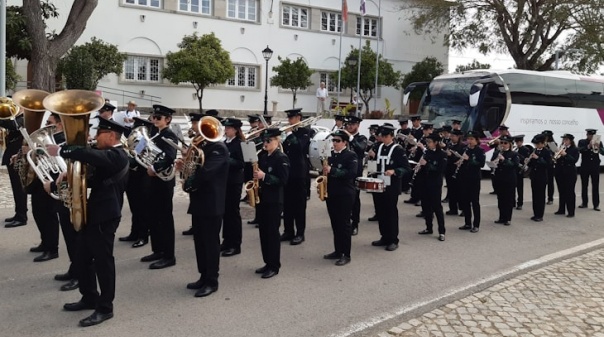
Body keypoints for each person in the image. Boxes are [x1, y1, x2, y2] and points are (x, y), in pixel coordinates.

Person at [45, 117, 129, 327]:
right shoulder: (106, 156)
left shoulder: (118, 155)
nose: (94, 137)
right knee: (82, 259)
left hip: (105, 216)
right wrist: (64, 181)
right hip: (92, 213)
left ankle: (105, 308)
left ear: (111, 136)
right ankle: (89, 296)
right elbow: (89, 180)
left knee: (103, 263)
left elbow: (91, 155)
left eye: (99, 133)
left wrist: (63, 151)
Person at [178, 116, 229, 298]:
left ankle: (212, 281)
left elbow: (206, 174)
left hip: (212, 203)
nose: (200, 133)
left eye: (204, 130)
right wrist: (185, 166)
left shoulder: (219, 149)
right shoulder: (204, 147)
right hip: (199, 201)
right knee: (199, 242)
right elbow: (196, 170)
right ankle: (203, 275)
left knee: (210, 243)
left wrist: (189, 172)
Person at [140, 105, 178, 269]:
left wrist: (155, 168)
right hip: (152, 181)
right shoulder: (155, 134)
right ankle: (158, 250)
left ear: (167, 119)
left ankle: (169, 255)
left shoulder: (169, 135)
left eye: (158, 118)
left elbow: (170, 157)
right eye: (154, 117)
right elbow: (142, 150)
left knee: (164, 218)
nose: (154, 120)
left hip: (163, 181)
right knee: (153, 216)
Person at [254, 128, 290, 279]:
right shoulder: (263, 157)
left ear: (277, 140)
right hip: (263, 199)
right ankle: (267, 262)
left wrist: (264, 176)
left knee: (272, 233)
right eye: (265, 141)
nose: (266, 143)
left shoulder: (281, 158)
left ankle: (274, 266)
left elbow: (283, 180)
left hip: (274, 201)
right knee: (263, 233)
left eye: (269, 140)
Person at [371, 125, 409, 251]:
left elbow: (406, 168)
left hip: (391, 185)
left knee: (390, 212)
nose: (384, 139)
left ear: (392, 136)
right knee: (380, 211)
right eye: (382, 136)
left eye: (386, 136)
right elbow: (374, 164)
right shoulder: (378, 146)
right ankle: (384, 237)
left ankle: (393, 239)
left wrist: (394, 171)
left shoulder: (398, 149)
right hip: (378, 183)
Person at [322, 129, 358, 265]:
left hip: (345, 194)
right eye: (333, 140)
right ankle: (337, 251)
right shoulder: (330, 155)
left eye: (337, 141)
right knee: (335, 223)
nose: (334, 143)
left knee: (344, 225)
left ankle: (346, 254)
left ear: (345, 142)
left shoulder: (351, 155)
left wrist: (333, 170)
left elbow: (351, 173)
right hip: (331, 193)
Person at [119, 117, 155, 246]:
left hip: (142, 178)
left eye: (137, 128)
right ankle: (134, 232)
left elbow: (135, 158)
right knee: (135, 207)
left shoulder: (144, 141)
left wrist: (124, 158)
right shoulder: (136, 140)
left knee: (142, 209)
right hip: (132, 177)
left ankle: (143, 236)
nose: (134, 131)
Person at [281, 108, 311, 245]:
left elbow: (299, 147)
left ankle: (300, 233)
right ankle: (288, 231)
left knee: (299, 204)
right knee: (287, 204)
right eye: (288, 118)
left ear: (298, 118)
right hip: (287, 172)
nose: (289, 120)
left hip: (299, 173)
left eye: (292, 118)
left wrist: (289, 134)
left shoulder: (305, 132)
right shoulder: (288, 133)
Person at [220, 118, 245, 257]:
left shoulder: (239, 144)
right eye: (225, 128)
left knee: (233, 213)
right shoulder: (224, 143)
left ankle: (235, 244)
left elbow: (241, 163)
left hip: (234, 182)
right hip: (224, 181)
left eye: (228, 128)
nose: (226, 130)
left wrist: (226, 159)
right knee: (225, 213)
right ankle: (226, 241)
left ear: (235, 129)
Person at [417, 133, 447, 241]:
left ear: (436, 143)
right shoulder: (427, 152)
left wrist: (427, 165)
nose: (428, 144)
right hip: (425, 182)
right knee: (426, 206)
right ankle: (428, 227)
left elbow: (440, 170)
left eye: (430, 142)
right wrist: (419, 166)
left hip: (435, 183)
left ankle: (442, 231)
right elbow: (424, 167)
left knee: (437, 207)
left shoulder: (442, 154)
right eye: (427, 142)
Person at [0, 110, 27, 228]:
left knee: (19, 186)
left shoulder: (24, 117)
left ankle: (22, 217)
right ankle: (19, 213)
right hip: (12, 154)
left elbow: (14, 126)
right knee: (16, 187)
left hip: (17, 156)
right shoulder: (17, 118)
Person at [458, 131, 485, 233]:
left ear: (477, 140)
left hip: (474, 179)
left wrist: (469, 160)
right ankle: (467, 223)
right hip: (464, 178)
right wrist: (459, 161)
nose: (469, 141)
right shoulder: (465, 149)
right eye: (468, 139)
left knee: (475, 202)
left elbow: (481, 164)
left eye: (472, 139)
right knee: (465, 201)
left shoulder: (480, 151)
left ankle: (476, 224)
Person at [345, 115, 367, 236]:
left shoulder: (361, 138)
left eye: (352, 124)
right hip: (344, 171)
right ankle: (345, 221)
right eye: (349, 124)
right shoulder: (344, 138)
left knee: (354, 199)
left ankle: (355, 224)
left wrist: (350, 137)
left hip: (355, 172)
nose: (350, 126)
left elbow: (361, 149)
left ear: (358, 125)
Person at [492, 135, 519, 226]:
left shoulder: (513, 154)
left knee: (508, 199)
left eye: (505, 143)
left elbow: (515, 166)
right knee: (500, 199)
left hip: (509, 179)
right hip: (499, 178)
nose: (503, 145)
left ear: (510, 144)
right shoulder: (497, 152)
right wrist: (494, 162)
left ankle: (508, 218)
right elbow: (492, 162)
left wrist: (504, 160)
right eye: (502, 143)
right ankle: (501, 217)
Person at [554, 134, 579, 217]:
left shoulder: (574, 149)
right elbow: (557, 160)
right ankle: (561, 209)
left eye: (566, 140)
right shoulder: (561, 148)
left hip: (570, 173)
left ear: (570, 141)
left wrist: (565, 155)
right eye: (564, 140)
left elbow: (574, 160)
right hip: (560, 173)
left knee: (570, 192)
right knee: (561, 191)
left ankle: (571, 211)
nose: (564, 141)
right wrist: (557, 155)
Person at [527, 134, 551, 222]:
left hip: (542, 176)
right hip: (534, 176)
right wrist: (528, 160)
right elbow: (531, 164)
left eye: (538, 144)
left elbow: (547, 164)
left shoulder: (546, 151)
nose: (536, 145)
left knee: (540, 196)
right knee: (535, 195)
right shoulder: (534, 150)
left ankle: (540, 215)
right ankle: (535, 213)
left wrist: (538, 158)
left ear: (542, 143)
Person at [578, 129, 603, 211]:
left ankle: (596, 204)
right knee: (584, 185)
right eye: (590, 135)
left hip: (595, 166)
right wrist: (588, 146)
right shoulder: (582, 142)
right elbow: (580, 150)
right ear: (587, 135)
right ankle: (584, 202)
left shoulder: (598, 142)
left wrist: (599, 148)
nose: (592, 137)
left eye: (593, 136)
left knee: (595, 185)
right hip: (585, 166)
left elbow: (603, 152)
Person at [444, 129, 464, 215]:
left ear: (458, 137)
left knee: (460, 191)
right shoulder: (449, 145)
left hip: (458, 171)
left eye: (453, 136)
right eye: (451, 136)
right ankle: (453, 209)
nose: (451, 138)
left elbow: (461, 159)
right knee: (451, 190)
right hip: (449, 170)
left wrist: (451, 155)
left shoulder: (462, 146)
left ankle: (463, 208)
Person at [513, 135, 531, 210]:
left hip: (520, 170)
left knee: (520, 188)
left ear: (522, 142)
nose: (518, 143)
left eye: (519, 142)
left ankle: (520, 203)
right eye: (516, 142)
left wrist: (517, 155)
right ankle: (512, 202)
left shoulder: (525, 149)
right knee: (512, 187)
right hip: (514, 169)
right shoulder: (515, 149)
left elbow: (526, 159)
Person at [541, 130, 557, 204]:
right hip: (542, 165)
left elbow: (555, 153)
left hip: (550, 165)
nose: (545, 138)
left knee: (550, 182)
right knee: (543, 182)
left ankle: (550, 198)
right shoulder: (541, 143)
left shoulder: (552, 144)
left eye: (546, 137)